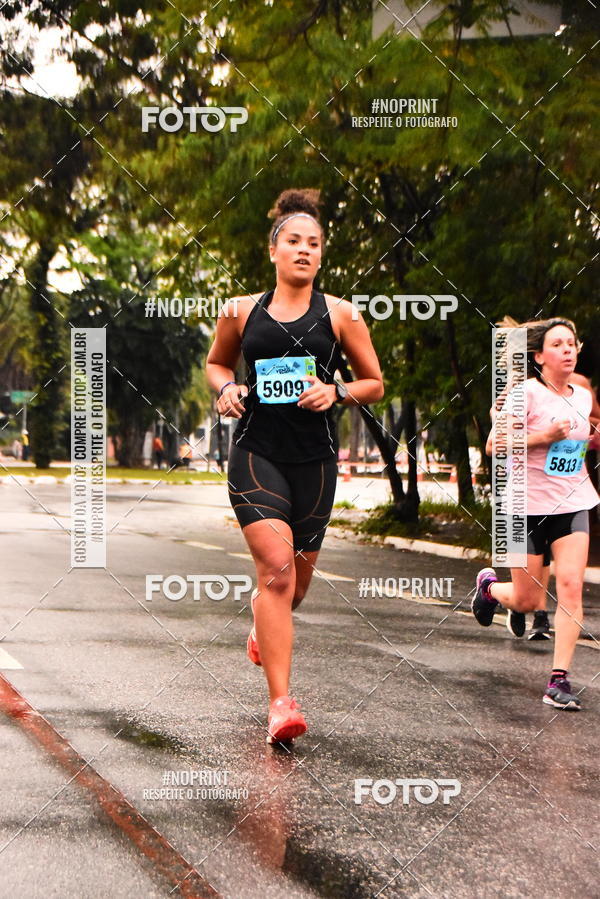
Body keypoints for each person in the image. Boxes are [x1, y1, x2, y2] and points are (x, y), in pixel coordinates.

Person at [206, 188, 383, 743]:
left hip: (315, 462)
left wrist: (337, 391)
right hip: (256, 453)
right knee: (277, 571)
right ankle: (280, 705)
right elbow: (216, 364)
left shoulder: (342, 314)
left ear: (321, 255)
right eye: (294, 241)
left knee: (295, 589)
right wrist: (227, 388)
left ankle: (265, 623)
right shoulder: (240, 310)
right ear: (274, 250)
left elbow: (374, 382)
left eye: (314, 244)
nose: (304, 250)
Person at [472, 317, 599, 709]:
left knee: (571, 586)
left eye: (571, 343)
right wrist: (544, 436)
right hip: (523, 508)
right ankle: (488, 589)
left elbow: (576, 446)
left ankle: (559, 680)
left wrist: (590, 440)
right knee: (527, 601)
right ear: (539, 356)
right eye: (557, 344)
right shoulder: (525, 393)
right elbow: (494, 446)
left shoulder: (583, 396)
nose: (567, 349)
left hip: (573, 502)